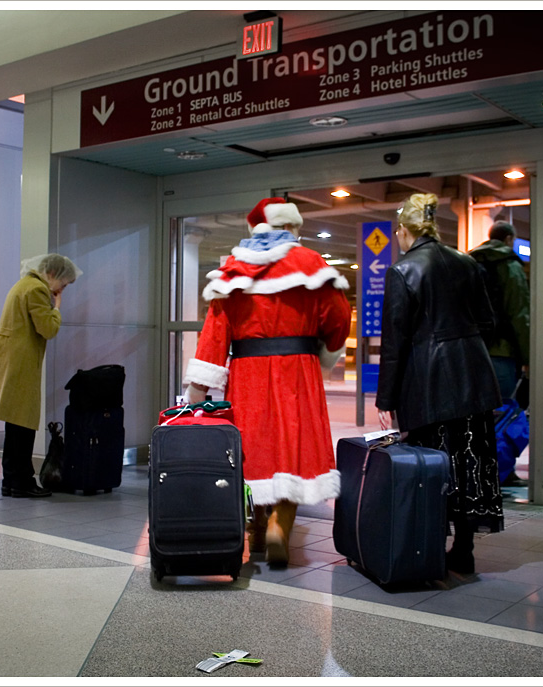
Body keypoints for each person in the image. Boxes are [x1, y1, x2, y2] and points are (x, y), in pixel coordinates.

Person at [183, 198, 352, 566]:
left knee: (252, 448)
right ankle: (280, 524)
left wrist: (195, 395)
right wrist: (325, 348)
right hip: (299, 371)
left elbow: (214, 337)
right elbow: (339, 318)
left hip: (248, 374)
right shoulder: (312, 265)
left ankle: (257, 529)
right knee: (293, 446)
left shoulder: (234, 270)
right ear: (292, 228)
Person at [376, 193, 504, 576]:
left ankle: (428, 545)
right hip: (474, 374)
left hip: (429, 379)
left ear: (403, 231)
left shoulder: (404, 270)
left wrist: (386, 398)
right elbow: (488, 320)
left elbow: (394, 342)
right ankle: (463, 549)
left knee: (434, 463)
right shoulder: (467, 262)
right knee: (471, 460)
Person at [0, 253, 82, 498]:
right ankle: (21, 481)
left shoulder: (22, 285)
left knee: (15, 424)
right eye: (63, 283)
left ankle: (12, 481)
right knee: (23, 424)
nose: (62, 289)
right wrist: (57, 309)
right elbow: (48, 329)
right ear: (52, 273)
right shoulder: (36, 290)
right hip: (20, 364)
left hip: (12, 362)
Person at [469, 220, 531, 487]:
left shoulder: (468, 263)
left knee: (474, 413)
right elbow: (520, 314)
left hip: (471, 352)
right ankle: (501, 471)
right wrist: (528, 357)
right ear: (508, 239)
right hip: (501, 352)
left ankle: (474, 468)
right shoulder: (511, 266)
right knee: (503, 412)